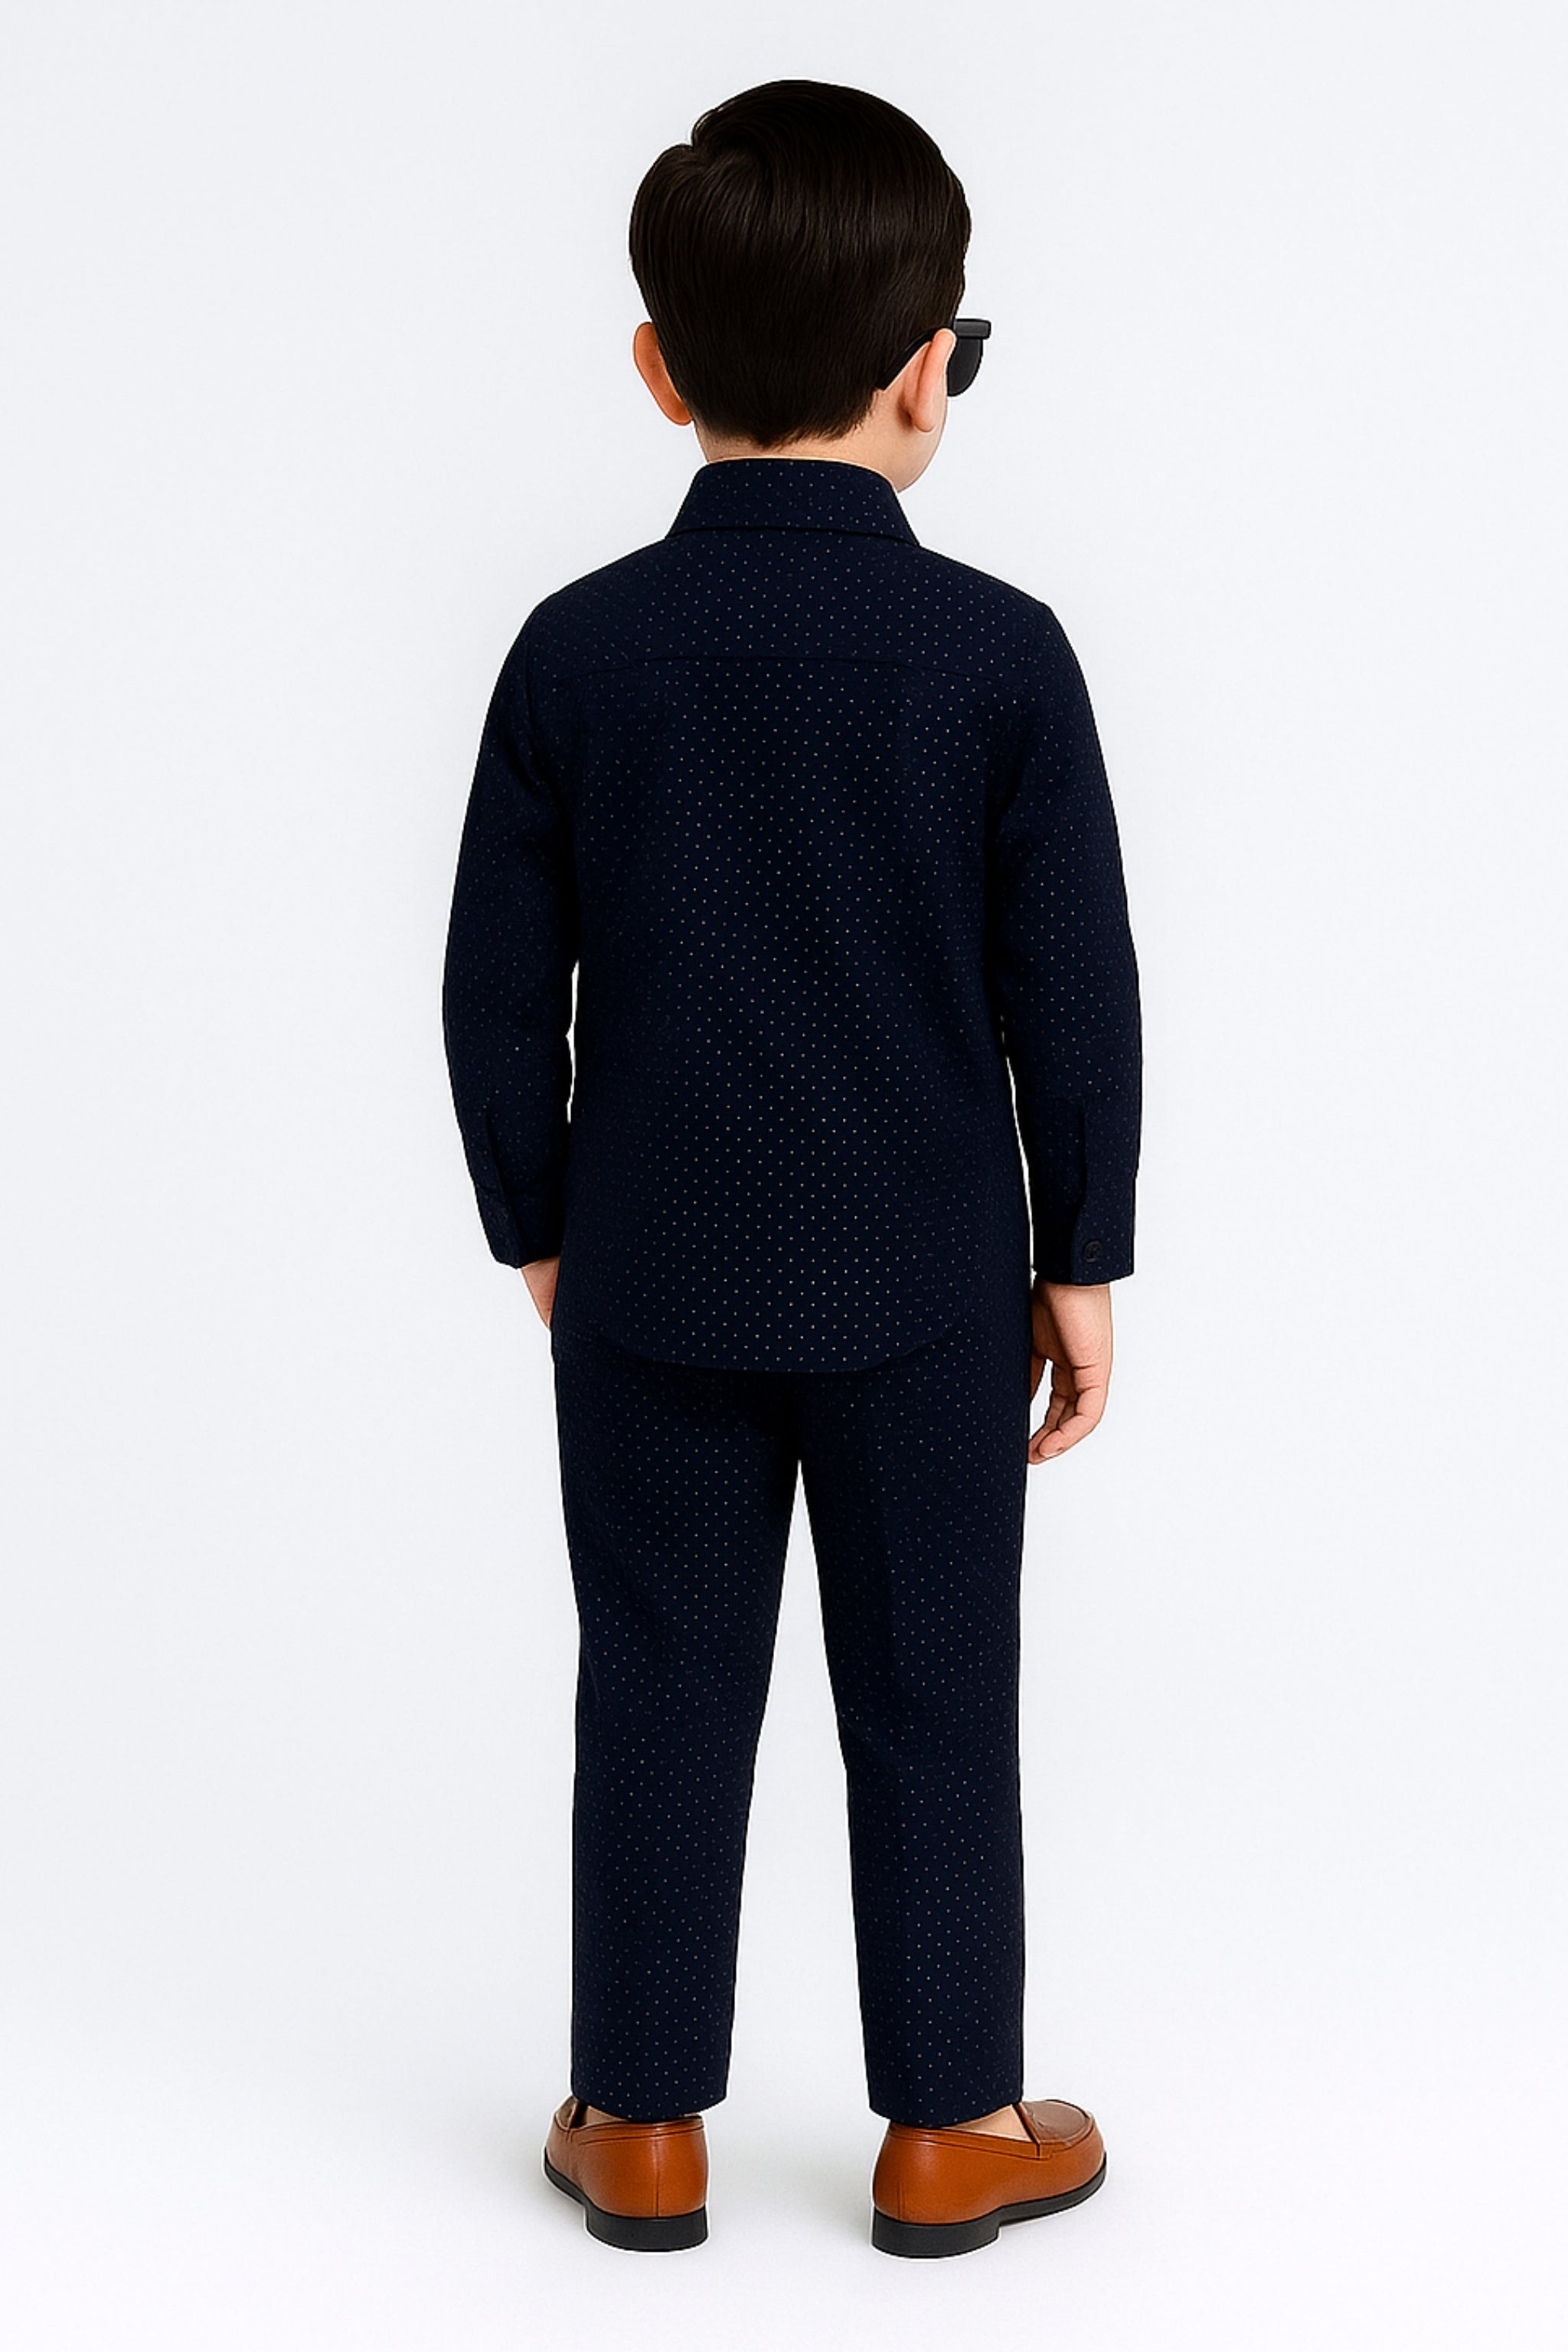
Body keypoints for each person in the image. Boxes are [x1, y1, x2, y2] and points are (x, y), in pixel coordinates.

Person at [441, 77, 1142, 2259]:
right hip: (927, 1285)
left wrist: (538, 1224)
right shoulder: (1001, 656)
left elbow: (494, 980)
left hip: (648, 1277)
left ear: (661, 371)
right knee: (936, 1691)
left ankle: (641, 2117)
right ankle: (949, 2124)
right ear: (926, 371)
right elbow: (1073, 988)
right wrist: (1083, 1252)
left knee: (658, 1680)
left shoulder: (578, 652)